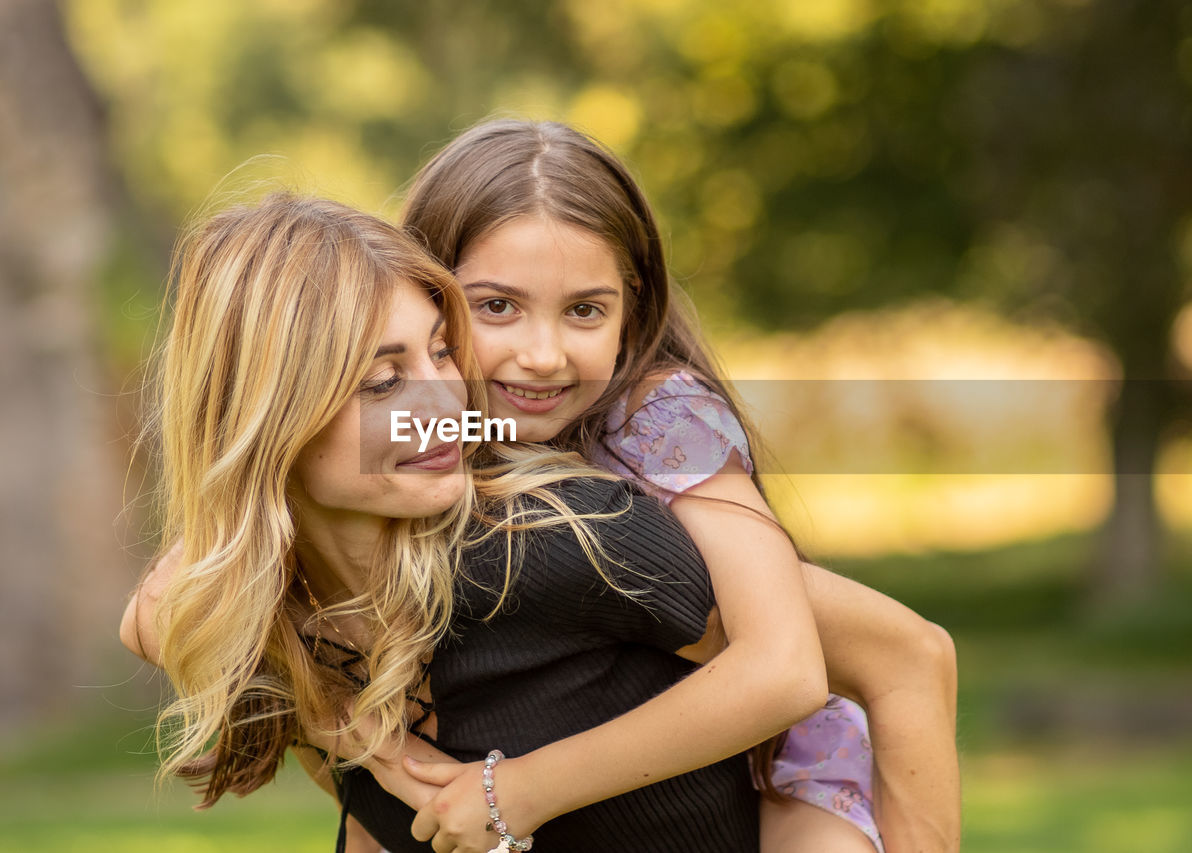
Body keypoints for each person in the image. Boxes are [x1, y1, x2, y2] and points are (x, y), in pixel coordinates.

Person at [124, 190, 804, 853]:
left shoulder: (563, 535)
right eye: (384, 382)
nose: (447, 400)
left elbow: (838, 658)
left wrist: (519, 789)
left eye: (443, 350)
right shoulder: (280, 614)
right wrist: (367, 742)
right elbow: (158, 617)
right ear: (266, 420)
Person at [395, 119, 960, 853]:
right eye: (497, 305)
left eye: (584, 310)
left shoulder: (656, 418)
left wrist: (520, 791)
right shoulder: (455, 435)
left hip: (788, 766)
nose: (542, 355)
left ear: (630, 314)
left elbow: (785, 670)